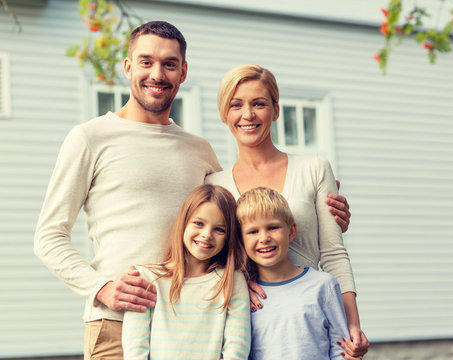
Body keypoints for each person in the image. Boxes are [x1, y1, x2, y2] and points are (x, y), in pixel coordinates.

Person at [34, 21, 350, 359]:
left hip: (195, 328)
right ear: (128, 67)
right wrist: (103, 288)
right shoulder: (90, 138)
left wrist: (316, 211)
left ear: (182, 72)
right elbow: (48, 237)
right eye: (146, 62)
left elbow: (237, 218)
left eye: (169, 64)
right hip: (118, 320)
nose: (157, 73)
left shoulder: (198, 149)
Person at [205, 64, 369, 358]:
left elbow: (333, 252)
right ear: (224, 114)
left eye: (259, 103)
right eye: (236, 105)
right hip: (247, 324)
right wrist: (239, 283)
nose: (248, 115)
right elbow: (211, 260)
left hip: (306, 320)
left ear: (276, 110)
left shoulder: (314, 168)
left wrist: (351, 324)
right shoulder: (214, 184)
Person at [122, 184, 250, 359]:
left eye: (219, 229)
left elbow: (237, 349)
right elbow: (135, 351)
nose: (206, 235)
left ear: (229, 237)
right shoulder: (146, 279)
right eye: (198, 223)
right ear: (183, 223)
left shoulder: (232, 281)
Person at [236, 187, 358, 360]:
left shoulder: (323, 286)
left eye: (272, 227)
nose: (264, 238)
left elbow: (342, 351)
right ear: (241, 240)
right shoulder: (245, 297)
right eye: (253, 231)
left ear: (291, 231)